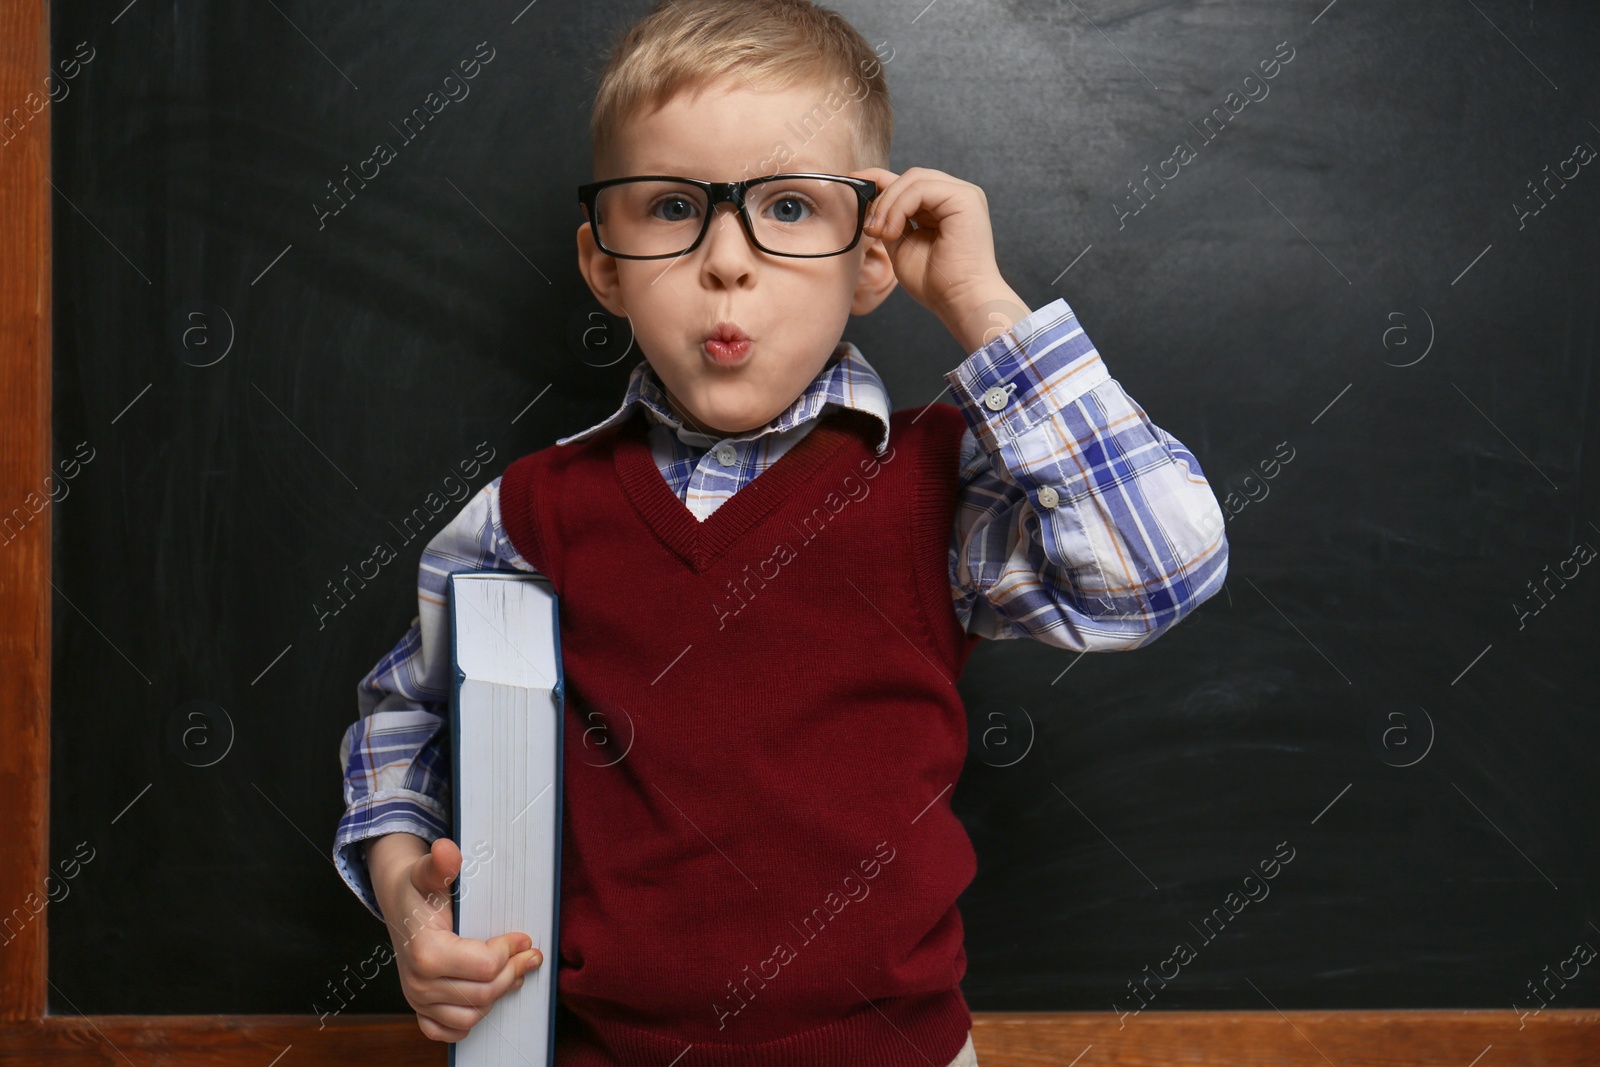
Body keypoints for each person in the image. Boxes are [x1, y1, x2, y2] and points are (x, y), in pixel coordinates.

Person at [331, 1, 1230, 1063]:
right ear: (603, 262)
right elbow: (407, 717)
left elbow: (1159, 573)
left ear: (873, 260)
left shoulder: (940, 489)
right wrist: (403, 891)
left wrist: (983, 307)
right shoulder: (526, 514)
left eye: (791, 207)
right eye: (671, 206)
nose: (726, 261)